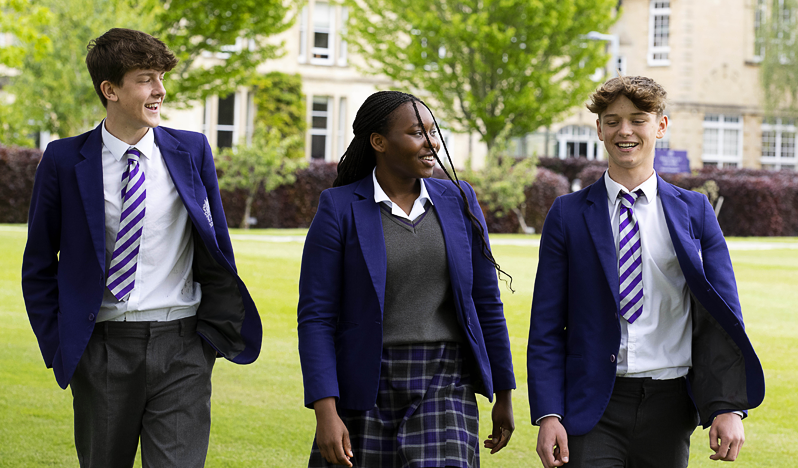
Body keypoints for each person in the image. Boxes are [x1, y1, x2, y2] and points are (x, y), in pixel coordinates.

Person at [21, 28, 261, 468]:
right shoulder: (61, 160)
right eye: (146, 78)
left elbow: (217, 247)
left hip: (183, 346)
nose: (160, 90)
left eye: (162, 77)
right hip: (103, 349)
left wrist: (206, 342)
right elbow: (38, 264)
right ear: (109, 89)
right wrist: (61, 347)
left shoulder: (192, 150)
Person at [527, 76, 765, 468]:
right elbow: (547, 325)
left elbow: (723, 318)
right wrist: (549, 413)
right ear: (600, 128)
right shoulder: (567, 215)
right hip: (591, 408)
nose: (625, 131)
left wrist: (728, 406)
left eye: (638, 119)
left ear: (661, 125)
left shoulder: (695, 212)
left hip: (670, 406)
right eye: (613, 120)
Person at [297, 90, 516, 467]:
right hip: (366, 382)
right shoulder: (339, 208)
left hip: (446, 382)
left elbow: (486, 302)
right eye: (417, 133)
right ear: (379, 142)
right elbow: (316, 317)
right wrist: (325, 412)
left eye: (434, 132)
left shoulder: (460, 200)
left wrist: (504, 393)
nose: (432, 143)